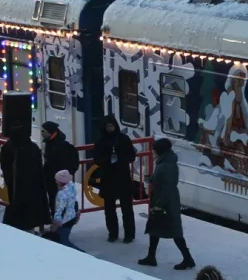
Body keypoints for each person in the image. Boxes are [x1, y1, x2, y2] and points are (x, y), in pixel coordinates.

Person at [139, 138, 195, 270]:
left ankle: (187, 258)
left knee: (174, 231)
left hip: (166, 203)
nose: (153, 152)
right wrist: (151, 179)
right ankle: (151, 256)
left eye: (155, 149)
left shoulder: (166, 165)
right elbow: (162, 179)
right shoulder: (164, 161)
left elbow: (168, 187)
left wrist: (159, 204)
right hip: (165, 201)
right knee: (155, 229)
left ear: (160, 150)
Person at [93, 115, 137, 243]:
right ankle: (112, 233)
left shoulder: (123, 139)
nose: (110, 129)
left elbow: (131, 156)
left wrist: (120, 159)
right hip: (108, 178)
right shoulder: (100, 142)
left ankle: (129, 234)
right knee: (109, 209)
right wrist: (108, 160)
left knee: (127, 209)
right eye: (107, 126)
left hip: (123, 177)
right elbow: (97, 159)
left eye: (111, 126)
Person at [0, 128, 51, 232]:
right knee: (30, 215)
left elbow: (5, 166)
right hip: (34, 187)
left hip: (16, 189)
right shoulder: (33, 147)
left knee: (18, 215)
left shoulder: (9, 147)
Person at [41, 121, 79, 215]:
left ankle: (59, 225)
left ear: (50, 132)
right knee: (54, 202)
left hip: (58, 181)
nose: (41, 133)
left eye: (43, 131)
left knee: (58, 204)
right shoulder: (51, 143)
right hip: (52, 179)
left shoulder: (61, 145)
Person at [47, 169, 84, 251]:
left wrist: (55, 225)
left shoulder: (61, 194)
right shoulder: (71, 186)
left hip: (65, 220)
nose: (55, 181)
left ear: (60, 181)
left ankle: (83, 254)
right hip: (72, 217)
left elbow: (59, 210)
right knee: (62, 240)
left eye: (56, 180)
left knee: (64, 242)